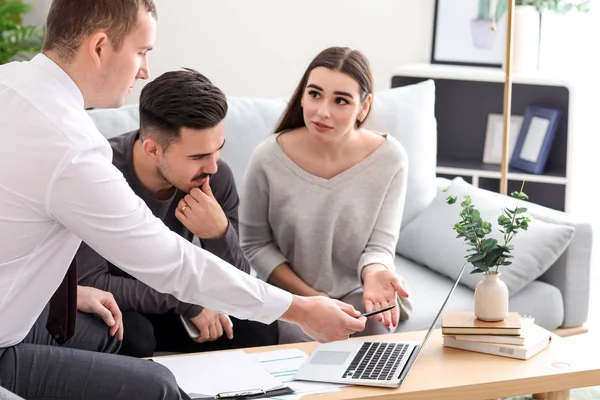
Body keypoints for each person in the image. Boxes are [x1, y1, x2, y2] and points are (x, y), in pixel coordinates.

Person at [0, 1, 366, 398]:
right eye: (141, 52)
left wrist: (62, 291)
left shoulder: (9, 84)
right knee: (159, 387)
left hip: (20, 311)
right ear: (100, 46)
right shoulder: (72, 147)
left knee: (100, 333)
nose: (143, 70)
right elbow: (168, 261)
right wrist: (301, 309)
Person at [77, 69, 279, 357]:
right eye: (198, 157)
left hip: (170, 301)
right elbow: (93, 281)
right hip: (115, 303)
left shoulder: (215, 177)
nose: (212, 166)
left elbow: (238, 283)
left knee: (260, 329)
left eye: (217, 149)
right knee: (133, 336)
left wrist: (219, 233)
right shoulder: (99, 175)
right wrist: (188, 301)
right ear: (152, 150)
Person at [240, 46, 413, 344]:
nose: (322, 111)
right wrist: (314, 302)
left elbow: (380, 245)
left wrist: (375, 273)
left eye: (341, 101)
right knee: (299, 346)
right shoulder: (268, 157)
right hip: (293, 296)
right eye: (315, 94)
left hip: (357, 293)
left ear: (364, 106)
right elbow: (255, 245)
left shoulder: (391, 158)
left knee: (373, 339)